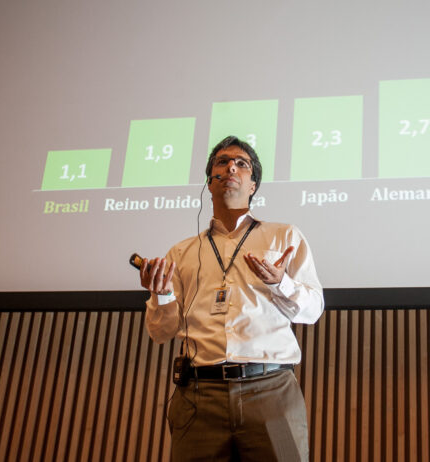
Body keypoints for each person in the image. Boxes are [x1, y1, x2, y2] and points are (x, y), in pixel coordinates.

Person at [139, 135, 324, 461]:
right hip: (199, 397)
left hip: (271, 391)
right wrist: (162, 294)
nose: (231, 168)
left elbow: (313, 310)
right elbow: (161, 332)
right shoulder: (182, 252)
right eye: (222, 162)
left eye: (242, 164)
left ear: (253, 185)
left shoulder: (284, 236)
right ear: (210, 183)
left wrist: (281, 282)